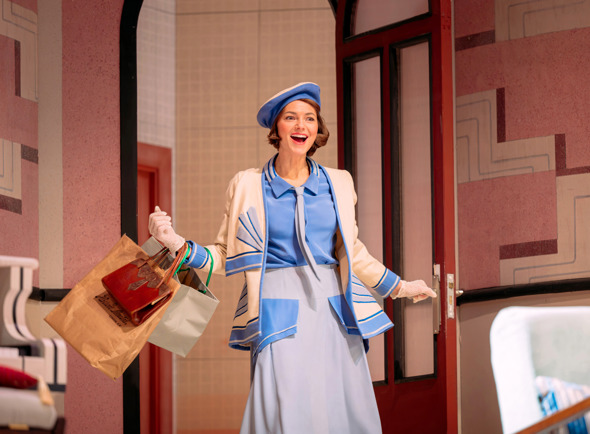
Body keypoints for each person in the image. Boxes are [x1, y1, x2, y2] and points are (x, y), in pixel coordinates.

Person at [148, 82, 436, 433]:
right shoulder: (247, 184)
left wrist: (401, 287)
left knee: (342, 412)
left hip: (333, 309)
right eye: (291, 118)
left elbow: (353, 252)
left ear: (318, 129)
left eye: (310, 118)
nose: (301, 125)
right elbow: (225, 256)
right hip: (276, 308)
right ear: (277, 129)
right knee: (287, 413)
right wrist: (177, 243)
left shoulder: (339, 182)